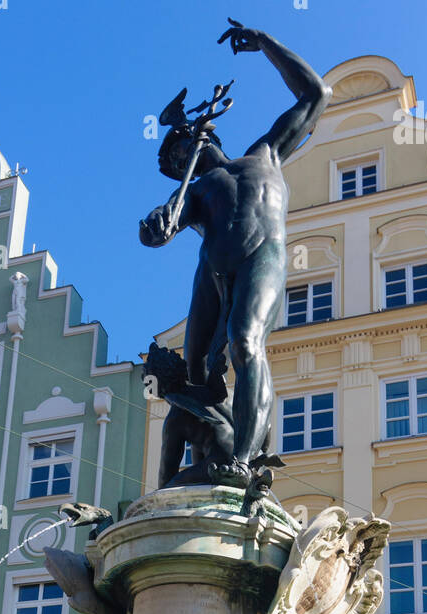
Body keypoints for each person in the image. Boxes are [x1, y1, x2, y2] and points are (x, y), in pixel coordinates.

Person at [139, 20, 331, 483]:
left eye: (178, 154)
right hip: (212, 272)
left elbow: (315, 95)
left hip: (261, 257)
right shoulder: (194, 195)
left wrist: (265, 44)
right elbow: (154, 235)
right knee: (194, 372)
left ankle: (244, 457)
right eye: (174, 165)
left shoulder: (263, 154)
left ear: (199, 138)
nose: (179, 164)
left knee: (246, 342)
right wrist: (155, 224)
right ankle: (203, 459)